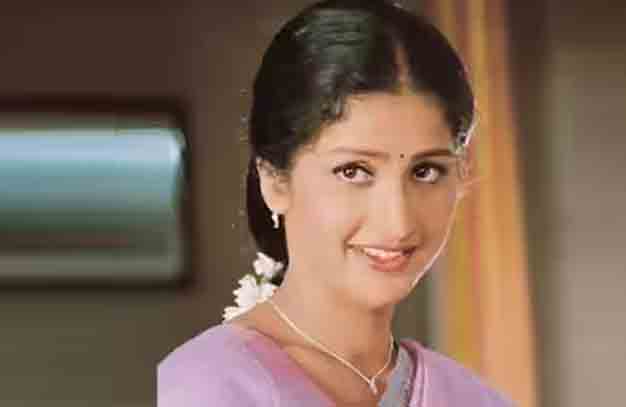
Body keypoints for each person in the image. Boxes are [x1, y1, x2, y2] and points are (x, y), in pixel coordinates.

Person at [158, 1, 514, 406]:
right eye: (354, 171)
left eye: (425, 171)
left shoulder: (474, 399)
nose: (398, 222)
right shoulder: (200, 389)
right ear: (274, 180)